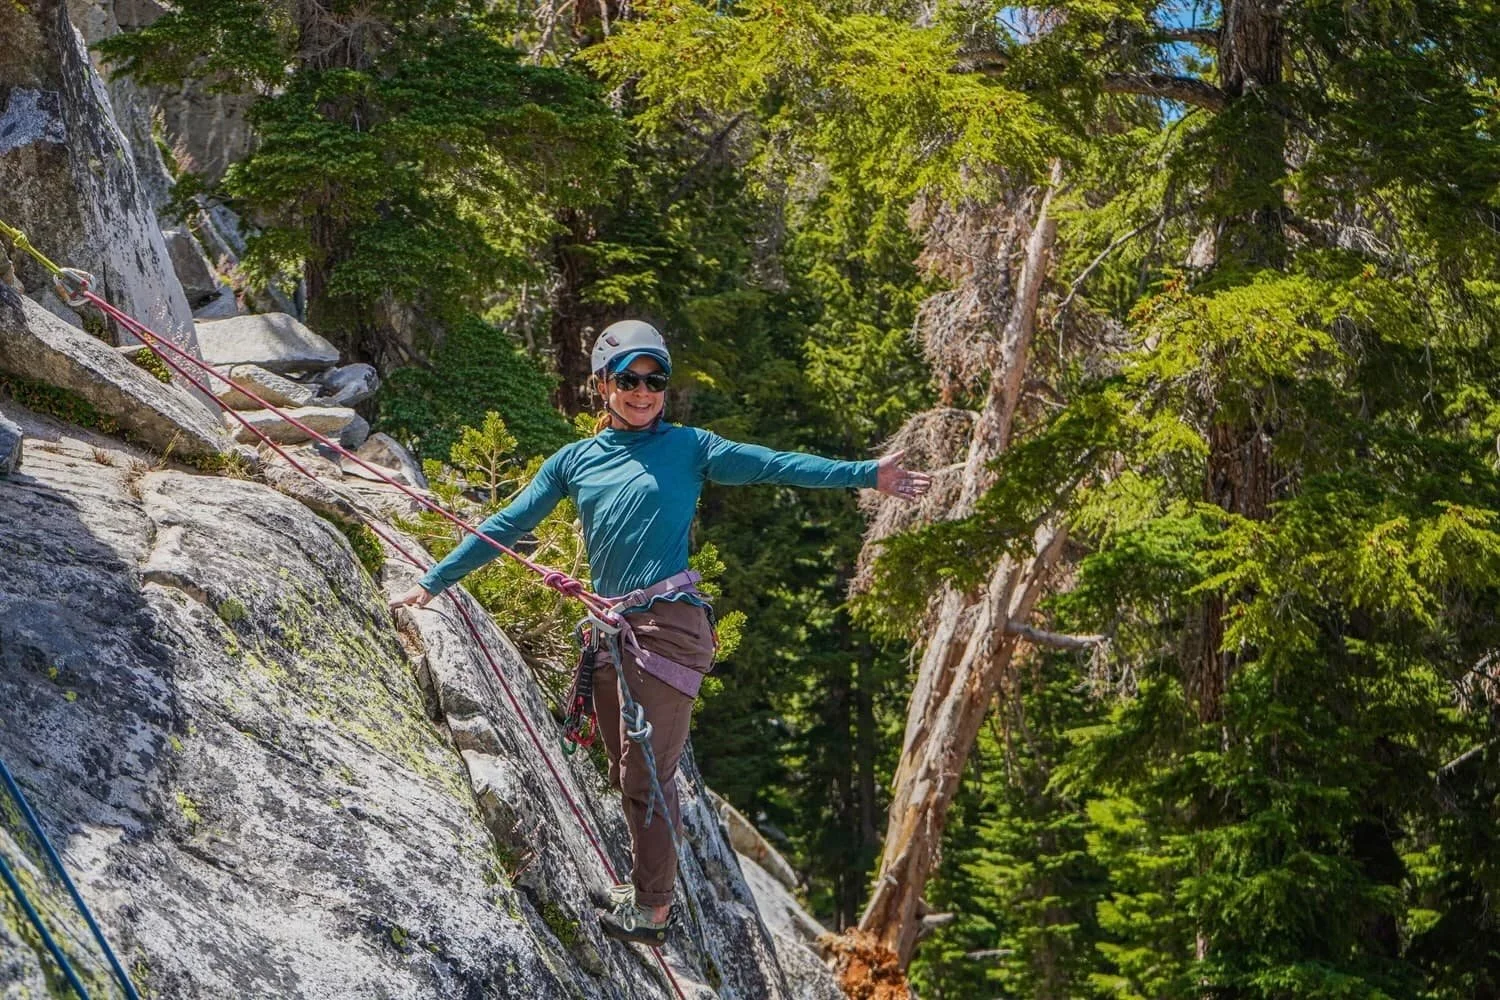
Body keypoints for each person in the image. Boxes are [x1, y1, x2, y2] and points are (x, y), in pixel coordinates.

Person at [391, 320, 931, 946]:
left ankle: (652, 909)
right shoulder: (574, 462)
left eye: (655, 380)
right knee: (627, 772)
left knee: (647, 773)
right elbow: (507, 524)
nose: (643, 392)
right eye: (629, 379)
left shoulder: (691, 447)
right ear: (602, 386)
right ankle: (643, 888)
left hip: (668, 628)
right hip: (613, 631)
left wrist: (867, 474)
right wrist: (433, 583)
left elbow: (774, 465)